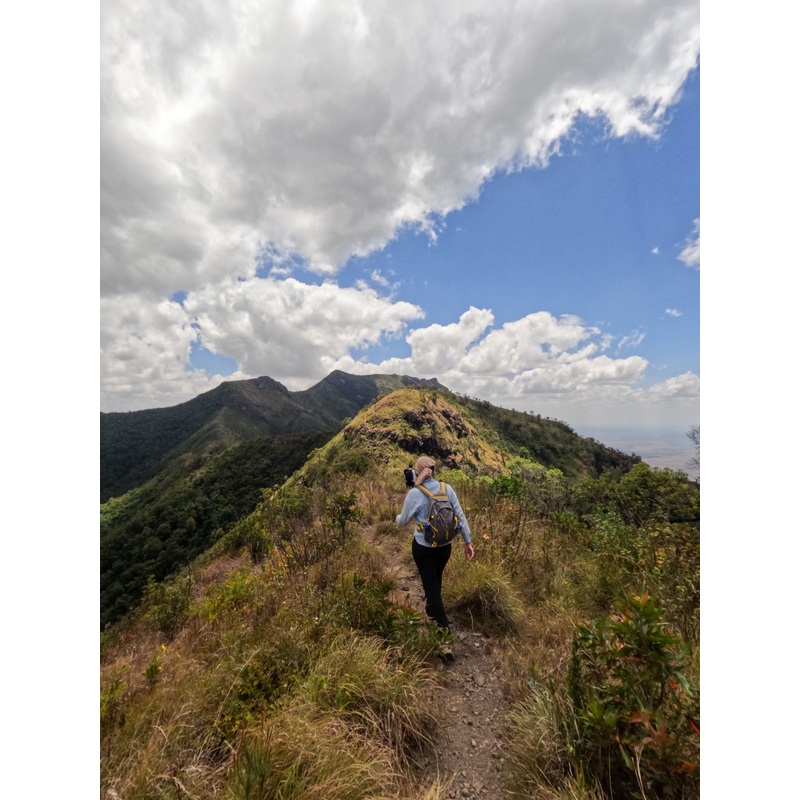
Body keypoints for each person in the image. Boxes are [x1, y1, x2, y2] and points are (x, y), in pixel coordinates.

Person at [395, 456, 475, 658]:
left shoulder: (414, 493)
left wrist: (396, 516)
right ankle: (432, 612)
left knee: (431, 589)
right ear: (433, 470)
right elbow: (460, 515)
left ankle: (444, 639)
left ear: (417, 472)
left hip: (423, 547)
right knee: (435, 583)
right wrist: (468, 541)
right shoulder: (447, 489)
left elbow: (403, 522)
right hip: (445, 547)